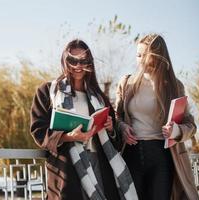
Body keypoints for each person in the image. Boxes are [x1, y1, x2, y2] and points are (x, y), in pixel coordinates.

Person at [30, 39, 137, 200]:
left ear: (90, 62)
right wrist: (68, 137)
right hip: (68, 167)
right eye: (73, 60)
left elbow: (115, 141)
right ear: (65, 61)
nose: (78, 65)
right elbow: (38, 130)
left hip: (99, 165)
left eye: (84, 61)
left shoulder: (99, 97)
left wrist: (110, 128)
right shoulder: (48, 91)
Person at [115, 33, 199, 200]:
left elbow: (191, 126)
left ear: (158, 57)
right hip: (130, 153)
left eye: (144, 55)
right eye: (138, 55)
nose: (139, 60)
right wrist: (122, 127)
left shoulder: (174, 86)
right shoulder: (127, 83)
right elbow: (116, 116)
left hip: (162, 156)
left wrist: (176, 131)